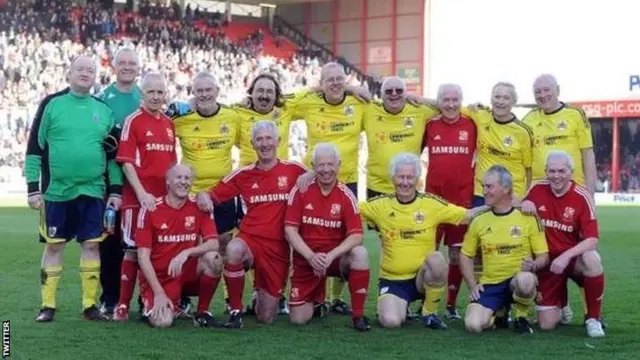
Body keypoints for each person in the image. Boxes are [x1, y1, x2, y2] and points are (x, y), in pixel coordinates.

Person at [25, 55, 123, 322]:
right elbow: (35, 147)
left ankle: (89, 305)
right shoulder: (52, 103)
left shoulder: (103, 109)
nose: (85, 73)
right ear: (69, 73)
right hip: (56, 191)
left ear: (96, 76)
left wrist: (115, 190)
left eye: (91, 70)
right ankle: (48, 306)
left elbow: (113, 156)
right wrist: (33, 188)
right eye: (80, 69)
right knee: (54, 246)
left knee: (92, 245)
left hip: (93, 192)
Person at [196, 120, 307, 328]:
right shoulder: (243, 174)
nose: (264, 144)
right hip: (251, 239)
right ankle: (235, 311)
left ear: (278, 141)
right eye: (259, 139)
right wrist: (202, 194)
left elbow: (318, 180)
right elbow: (211, 194)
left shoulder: (295, 170)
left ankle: (259, 295)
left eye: (268, 139)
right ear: (252, 144)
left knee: (266, 317)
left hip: (278, 248)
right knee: (234, 248)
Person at [360, 153, 486, 329]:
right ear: (392, 178)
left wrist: (500, 205)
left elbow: (467, 215)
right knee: (391, 322)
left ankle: (429, 312)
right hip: (393, 280)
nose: (405, 182)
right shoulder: (379, 205)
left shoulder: (430, 204)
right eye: (401, 177)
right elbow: (350, 209)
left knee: (436, 258)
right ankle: (396, 306)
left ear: (417, 178)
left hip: (422, 277)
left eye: (410, 177)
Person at [293, 62, 369, 315]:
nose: (335, 83)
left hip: (347, 180)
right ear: (321, 82)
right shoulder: (309, 101)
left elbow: (392, 106)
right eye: (329, 80)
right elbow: (281, 102)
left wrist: (357, 90)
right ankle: (315, 294)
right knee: (313, 233)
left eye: (340, 79)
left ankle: (335, 298)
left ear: (346, 81)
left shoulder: (359, 104)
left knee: (345, 239)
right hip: (314, 178)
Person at [522, 74, 598, 324]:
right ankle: (558, 304)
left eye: (547, 91)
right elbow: (526, 164)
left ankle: (592, 316)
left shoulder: (575, 115)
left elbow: (588, 155)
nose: (542, 96)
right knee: (546, 251)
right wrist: (525, 196)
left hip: (573, 196)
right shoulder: (529, 120)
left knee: (585, 257)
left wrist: (591, 194)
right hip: (543, 197)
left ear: (557, 90)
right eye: (537, 92)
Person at [284, 143, 371, 331]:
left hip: (334, 259)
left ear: (338, 165)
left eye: (330, 164)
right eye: (321, 165)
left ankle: (358, 316)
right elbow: (290, 230)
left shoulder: (347, 196)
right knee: (298, 319)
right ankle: (318, 300)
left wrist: (330, 256)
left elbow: (356, 236)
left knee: (360, 253)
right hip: (306, 259)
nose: (326, 170)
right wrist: (311, 257)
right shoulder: (301, 190)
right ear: (313, 166)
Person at [112, 72, 177, 321]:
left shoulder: (169, 124)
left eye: (160, 92)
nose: (156, 97)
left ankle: (150, 299)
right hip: (137, 200)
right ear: (142, 93)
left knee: (156, 251)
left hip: (162, 201)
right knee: (132, 250)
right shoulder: (133, 121)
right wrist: (141, 194)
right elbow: (126, 163)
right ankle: (122, 306)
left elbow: (171, 166)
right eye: (151, 92)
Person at [521, 151, 605, 337]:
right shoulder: (536, 190)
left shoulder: (581, 196)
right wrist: (524, 204)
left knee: (592, 259)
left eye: (561, 171)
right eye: (552, 171)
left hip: (571, 260)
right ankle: (562, 304)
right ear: (545, 171)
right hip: (545, 262)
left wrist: (565, 257)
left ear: (571, 171)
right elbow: (516, 208)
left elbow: (592, 239)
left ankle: (593, 319)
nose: (556, 176)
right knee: (546, 325)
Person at [460, 165, 549, 334]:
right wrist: (472, 285)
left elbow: (543, 256)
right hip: (491, 284)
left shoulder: (527, 217)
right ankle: (498, 313)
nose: (484, 191)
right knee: (473, 325)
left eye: (489, 186)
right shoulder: (479, 220)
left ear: (506, 189)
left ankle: (521, 316)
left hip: (518, 280)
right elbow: (465, 255)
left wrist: (534, 266)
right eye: (484, 186)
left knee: (526, 280)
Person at [136, 164, 222, 328]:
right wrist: (159, 293)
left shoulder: (199, 206)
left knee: (214, 258)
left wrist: (187, 252)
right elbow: (142, 257)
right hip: (160, 278)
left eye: (187, 178)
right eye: (179, 177)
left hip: (186, 271)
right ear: (168, 181)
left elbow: (213, 243)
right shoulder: (151, 209)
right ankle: (159, 301)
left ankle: (202, 312)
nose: (183, 182)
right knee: (163, 322)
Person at [422, 83, 477, 320]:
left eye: (455, 99)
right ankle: (424, 303)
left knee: (456, 254)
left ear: (462, 101)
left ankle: (451, 305)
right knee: (428, 252)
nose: (451, 104)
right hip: (432, 200)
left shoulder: (473, 124)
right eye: (445, 99)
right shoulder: (430, 125)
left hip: (462, 201)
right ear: (439, 101)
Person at [96, 47, 143, 317]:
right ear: (113, 67)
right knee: (110, 241)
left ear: (138, 68)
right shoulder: (102, 99)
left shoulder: (145, 96)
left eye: (131, 63)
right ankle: (110, 298)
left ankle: (142, 298)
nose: (127, 67)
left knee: (144, 242)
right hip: (111, 183)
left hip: (144, 183)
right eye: (122, 63)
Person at [364, 76, 439, 199]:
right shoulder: (369, 110)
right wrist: (351, 88)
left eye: (399, 91)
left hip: (409, 186)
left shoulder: (419, 110)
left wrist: (419, 98)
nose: (394, 94)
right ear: (381, 95)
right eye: (389, 91)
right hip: (377, 187)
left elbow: (447, 105)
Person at [462, 82, 534, 204]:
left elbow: (530, 170)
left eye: (506, 98)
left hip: (510, 195)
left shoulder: (523, 132)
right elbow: (448, 104)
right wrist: (418, 99)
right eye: (497, 97)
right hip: (482, 193)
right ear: (491, 99)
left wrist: (524, 198)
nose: (500, 101)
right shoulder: (480, 115)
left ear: (514, 101)